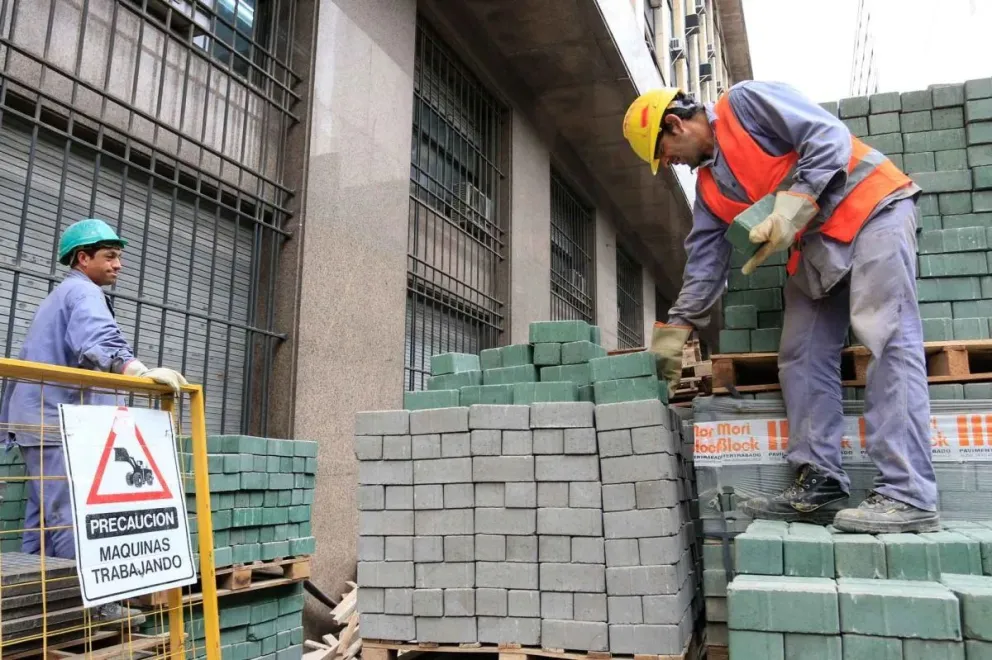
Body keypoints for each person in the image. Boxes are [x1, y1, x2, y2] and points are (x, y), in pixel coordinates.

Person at [622, 81, 939, 534]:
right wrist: (678, 328)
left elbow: (826, 136)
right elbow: (706, 264)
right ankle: (820, 482)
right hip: (817, 247)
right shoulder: (710, 190)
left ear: (674, 124)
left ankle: (909, 494)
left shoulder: (744, 104)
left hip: (872, 209)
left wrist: (795, 202)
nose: (670, 164)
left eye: (666, 153)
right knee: (801, 354)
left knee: (886, 336)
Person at [0, 218, 188, 560]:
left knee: (43, 516)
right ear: (83, 259)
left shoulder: (61, 296)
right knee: (71, 516)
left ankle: (35, 598)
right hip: (56, 422)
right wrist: (139, 371)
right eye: (110, 255)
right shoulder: (84, 292)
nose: (119, 264)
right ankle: (86, 606)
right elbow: (97, 339)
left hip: (41, 421)